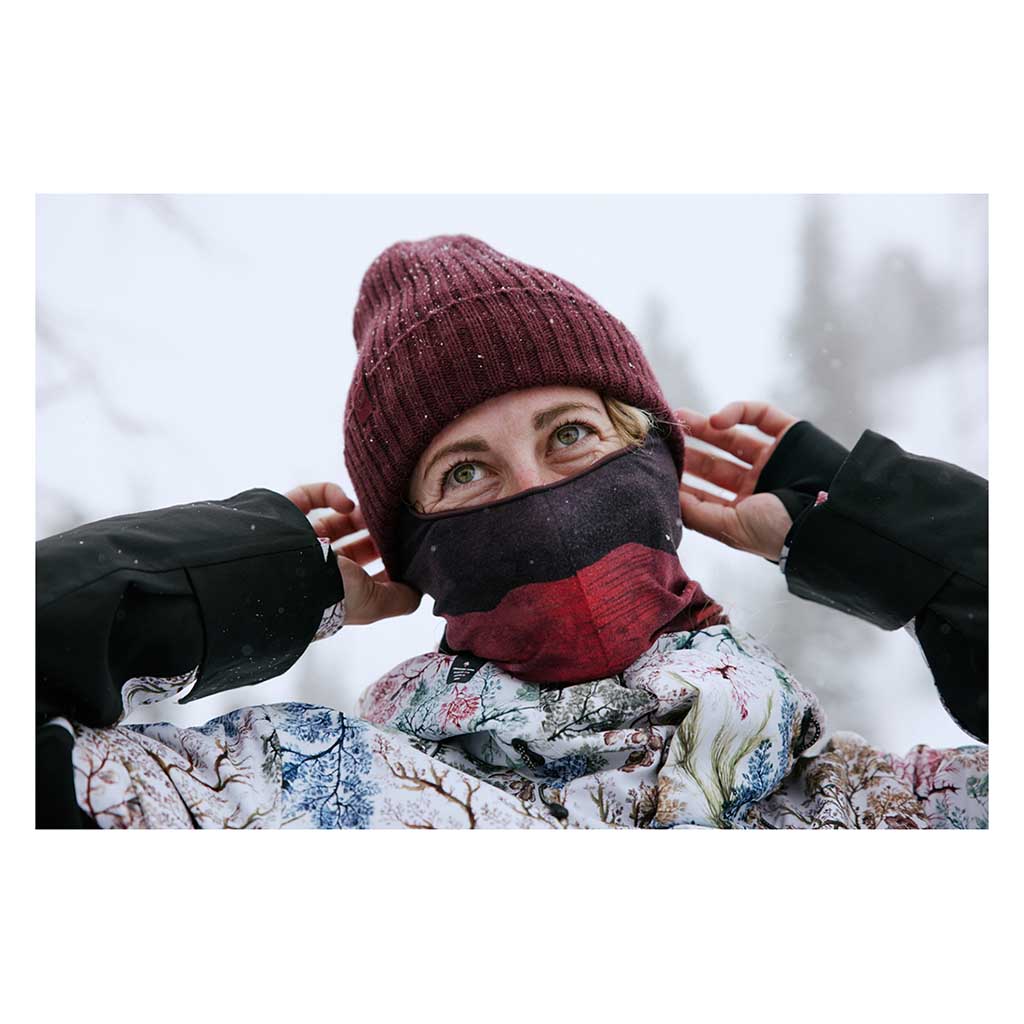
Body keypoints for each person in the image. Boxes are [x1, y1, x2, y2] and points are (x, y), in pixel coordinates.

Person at [36, 235, 988, 829]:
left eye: (569, 435)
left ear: (656, 468)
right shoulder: (284, 802)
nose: (535, 496)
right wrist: (252, 579)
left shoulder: (888, 811)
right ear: (415, 552)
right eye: (465, 472)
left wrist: (896, 534)